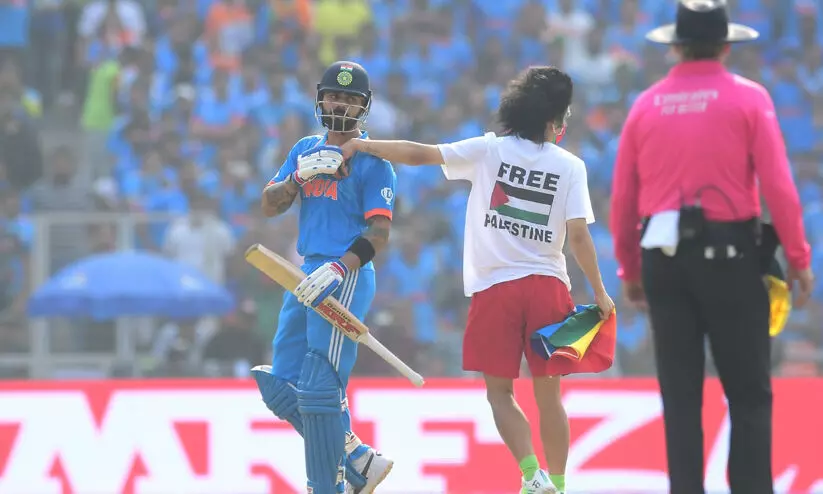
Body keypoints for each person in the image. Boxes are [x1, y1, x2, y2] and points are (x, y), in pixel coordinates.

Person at [338, 65, 614, 494]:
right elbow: (578, 236)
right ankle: (559, 486)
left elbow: (420, 154)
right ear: (551, 121)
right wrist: (600, 291)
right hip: (548, 287)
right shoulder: (571, 166)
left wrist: (363, 144)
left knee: (500, 393)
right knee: (549, 397)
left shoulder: (489, 150)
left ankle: (532, 475)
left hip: (495, 289)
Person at [609, 2, 814, 494]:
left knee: (680, 398)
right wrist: (798, 259)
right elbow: (778, 187)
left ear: (676, 48)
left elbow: (624, 199)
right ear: (725, 46)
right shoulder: (748, 98)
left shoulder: (646, 105)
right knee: (748, 393)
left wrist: (630, 270)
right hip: (731, 256)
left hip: (663, 258)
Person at [251, 60, 396, 494]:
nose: (340, 105)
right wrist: (299, 177)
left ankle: (328, 485)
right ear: (320, 99)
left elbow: (380, 233)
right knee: (281, 385)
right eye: (334, 96)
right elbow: (269, 205)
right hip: (305, 271)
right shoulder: (303, 148)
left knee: (318, 388)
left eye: (350, 99)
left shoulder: (374, 160)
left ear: (363, 107)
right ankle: (356, 457)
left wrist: (339, 267)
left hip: (344, 274)